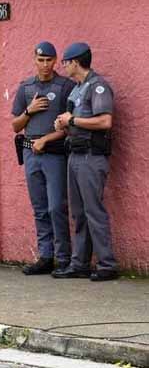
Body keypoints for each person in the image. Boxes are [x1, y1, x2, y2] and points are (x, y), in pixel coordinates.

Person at [53, 42, 118, 281]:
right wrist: (63, 123)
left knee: (94, 211)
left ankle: (107, 264)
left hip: (92, 156)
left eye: (65, 62)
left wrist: (72, 121)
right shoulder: (77, 90)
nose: (64, 67)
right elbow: (73, 121)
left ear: (75, 62)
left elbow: (104, 122)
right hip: (75, 154)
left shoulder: (97, 87)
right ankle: (79, 263)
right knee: (78, 213)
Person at [10, 42, 75, 275]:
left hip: (54, 152)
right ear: (34, 60)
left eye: (49, 60)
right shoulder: (26, 87)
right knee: (39, 207)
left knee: (57, 206)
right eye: (41, 60)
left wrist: (46, 139)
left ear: (55, 60)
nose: (45, 65)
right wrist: (30, 110)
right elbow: (15, 125)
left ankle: (64, 257)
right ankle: (46, 256)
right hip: (30, 152)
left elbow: (70, 124)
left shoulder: (65, 86)